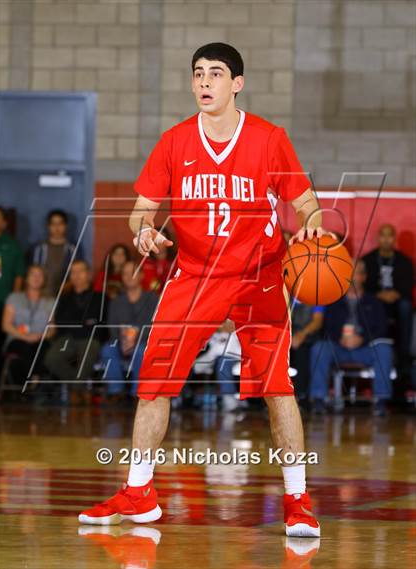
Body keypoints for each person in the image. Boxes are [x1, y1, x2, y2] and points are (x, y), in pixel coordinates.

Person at [79, 42, 331, 537]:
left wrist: (312, 228)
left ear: (237, 83)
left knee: (277, 388)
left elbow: (309, 203)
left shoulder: (268, 139)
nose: (205, 83)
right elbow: (139, 210)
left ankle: (299, 500)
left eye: (216, 74)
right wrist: (143, 230)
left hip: (257, 275)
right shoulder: (174, 142)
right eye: (198, 74)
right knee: (153, 384)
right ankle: (139, 493)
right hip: (194, 275)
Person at [310, 260, 393, 417]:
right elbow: (326, 328)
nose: (353, 277)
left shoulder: (374, 302)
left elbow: (382, 329)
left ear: (364, 277)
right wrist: (339, 338)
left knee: (384, 350)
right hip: (339, 347)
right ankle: (319, 400)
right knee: (319, 348)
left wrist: (362, 339)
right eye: (349, 273)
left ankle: (381, 401)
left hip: (365, 348)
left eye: (357, 273)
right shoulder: (334, 301)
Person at [44, 260, 104, 405]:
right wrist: (85, 322)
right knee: (51, 359)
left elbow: (101, 323)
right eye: (73, 272)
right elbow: (60, 322)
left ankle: (75, 391)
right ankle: (80, 387)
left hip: (90, 338)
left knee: (90, 349)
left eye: (80, 271)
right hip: (68, 337)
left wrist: (80, 322)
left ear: (89, 275)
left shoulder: (99, 297)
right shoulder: (64, 298)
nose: (76, 275)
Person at [100, 260, 158, 402]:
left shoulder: (152, 299)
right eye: (125, 273)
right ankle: (115, 392)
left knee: (140, 350)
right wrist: (123, 341)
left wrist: (135, 339)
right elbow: (112, 327)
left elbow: (154, 327)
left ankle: (136, 394)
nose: (128, 276)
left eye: (133, 272)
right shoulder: (116, 302)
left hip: (144, 343)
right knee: (108, 349)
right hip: (121, 342)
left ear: (141, 276)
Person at [362, 224, 414, 366]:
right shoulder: (368, 260)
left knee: (406, 306)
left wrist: (395, 294)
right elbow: (363, 285)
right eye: (383, 235)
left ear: (394, 239)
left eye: (389, 236)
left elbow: (408, 285)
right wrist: (378, 295)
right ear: (378, 238)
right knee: (366, 303)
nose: (386, 239)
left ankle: (404, 356)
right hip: (375, 300)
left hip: (397, 301)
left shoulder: (404, 261)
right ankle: (367, 348)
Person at [1, 265, 54, 389]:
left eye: (40, 275)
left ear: (44, 280)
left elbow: (52, 329)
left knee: (44, 348)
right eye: (33, 274)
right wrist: (26, 337)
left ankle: (34, 381)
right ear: (26, 278)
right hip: (17, 338)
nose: (36, 278)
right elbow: (6, 325)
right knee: (24, 349)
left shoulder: (50, 301)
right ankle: (26, 384)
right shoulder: (14, 298)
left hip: (40, 339)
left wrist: (40, 336)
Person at [0, 205, 25, 379]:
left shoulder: (12, 246)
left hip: (2, 306)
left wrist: (13, 305)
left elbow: (19, 277)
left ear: (4, 223)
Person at [30, 209, 81, 297]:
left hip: (65, 295)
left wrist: (66, 286)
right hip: (42, 296)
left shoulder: (72, 249)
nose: (57, 228)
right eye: (53, 224)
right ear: (48, 226)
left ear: (66, 226)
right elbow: (33, 272)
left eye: (60, 224)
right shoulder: (40, 248)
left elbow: (76, 273)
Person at [290, 301, 324, 410]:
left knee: (302, 353)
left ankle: (301, 395)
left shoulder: (317, 297)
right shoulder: (286, 294)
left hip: (308, 337)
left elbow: (317, 321)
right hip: (287, 334)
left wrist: (301, 334)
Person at [140, 227, 174, 294]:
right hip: (151, 298)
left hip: (173, 296)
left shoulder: (175, 260)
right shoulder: (146, 262)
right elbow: (148, 284)